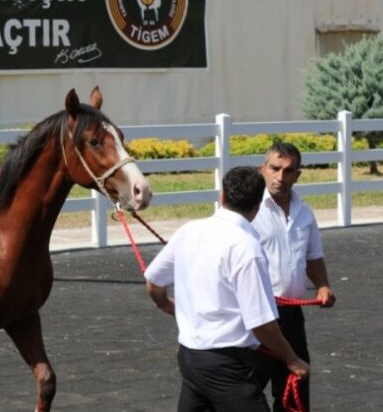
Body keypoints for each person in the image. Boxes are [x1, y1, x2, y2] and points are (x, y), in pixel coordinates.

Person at [144, 166, 309, 412]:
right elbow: (261, 323)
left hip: (190, 358)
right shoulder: (247, 247)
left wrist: (168, 306)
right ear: (257, 207)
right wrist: (292, 359)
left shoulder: (189, 230)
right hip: (226, 365)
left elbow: (154, 282)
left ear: (222, 197)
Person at [252, 142, 336, 412]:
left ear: (297, 175)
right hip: (257, 316)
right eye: (274, 168)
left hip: (291, 316)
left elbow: (313, 256)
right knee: (246, 394)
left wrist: (322, 285)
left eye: (288, 171)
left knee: (295, 392)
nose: (280, 177)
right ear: (262, 169)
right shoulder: (249, 211)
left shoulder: (305, 213)